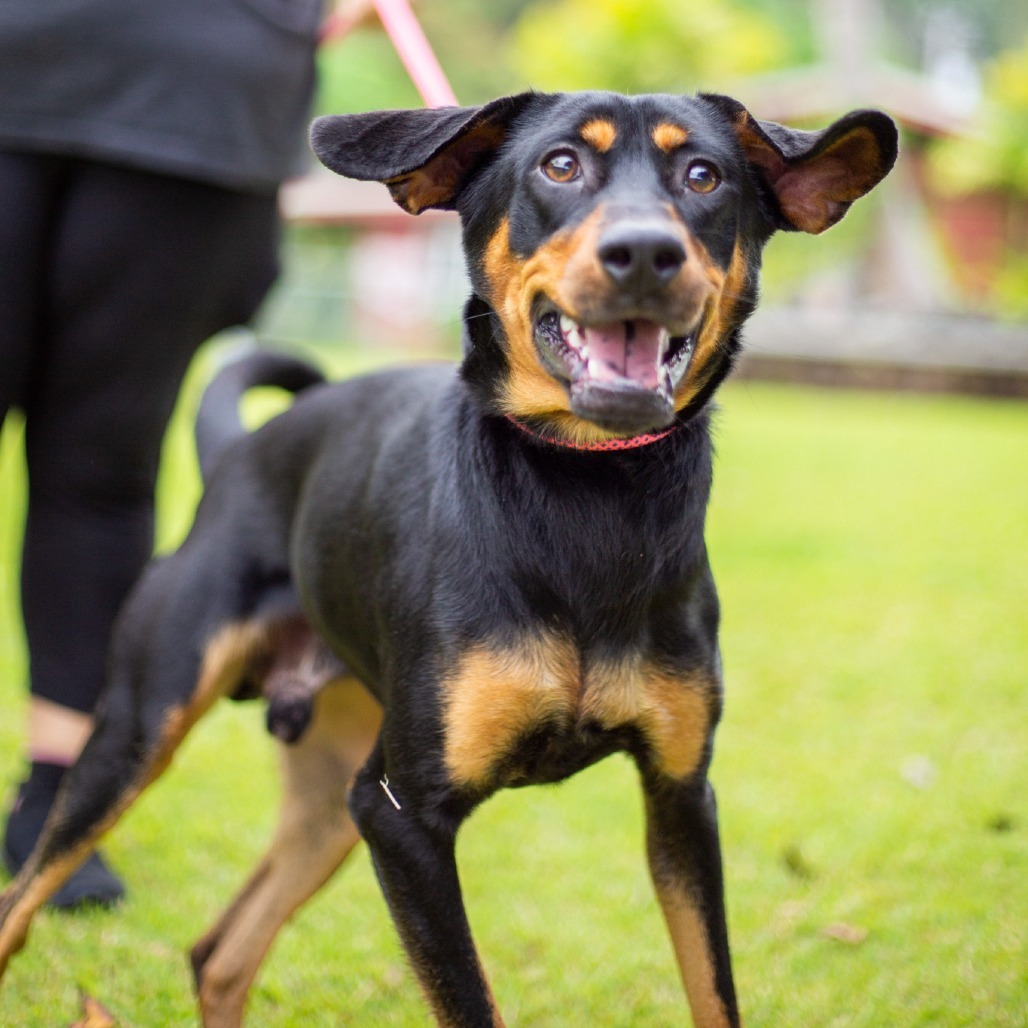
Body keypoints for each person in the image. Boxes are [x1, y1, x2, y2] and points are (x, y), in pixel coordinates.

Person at [0, 0, 325, 907]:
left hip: (198, 94)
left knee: (101, 464)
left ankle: (58, 793)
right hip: (198, 77)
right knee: (101, 469)